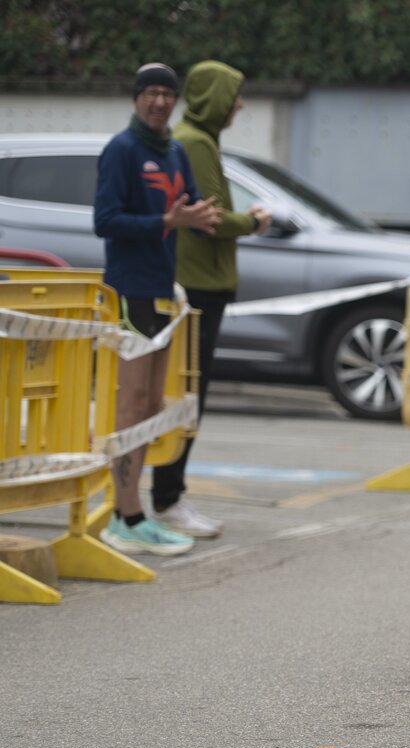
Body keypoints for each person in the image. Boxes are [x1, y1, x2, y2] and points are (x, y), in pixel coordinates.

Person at [93, 63, 220, 556]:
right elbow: (105, 220)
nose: (160, 102)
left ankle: (134, 512)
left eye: (168, 93)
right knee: (131, 403)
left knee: (150, 405)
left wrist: (201, 218)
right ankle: (125, 516)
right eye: (150, 93)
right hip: (130, 291)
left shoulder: (175, 152)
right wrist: (166, 221)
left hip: (164, 291)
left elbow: (188, 207)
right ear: (136, 98)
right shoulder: (122, 150)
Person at [155, 60, 272, 540]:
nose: (239, 105)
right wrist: (254, 222)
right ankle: (167, 498)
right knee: (187, 395)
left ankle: (167, 496)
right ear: (214, 98)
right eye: (233, 95)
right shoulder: (196, 142)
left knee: (185, 393)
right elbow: (212, 218)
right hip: (198, 285)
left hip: (201, 283)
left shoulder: (195, 139)